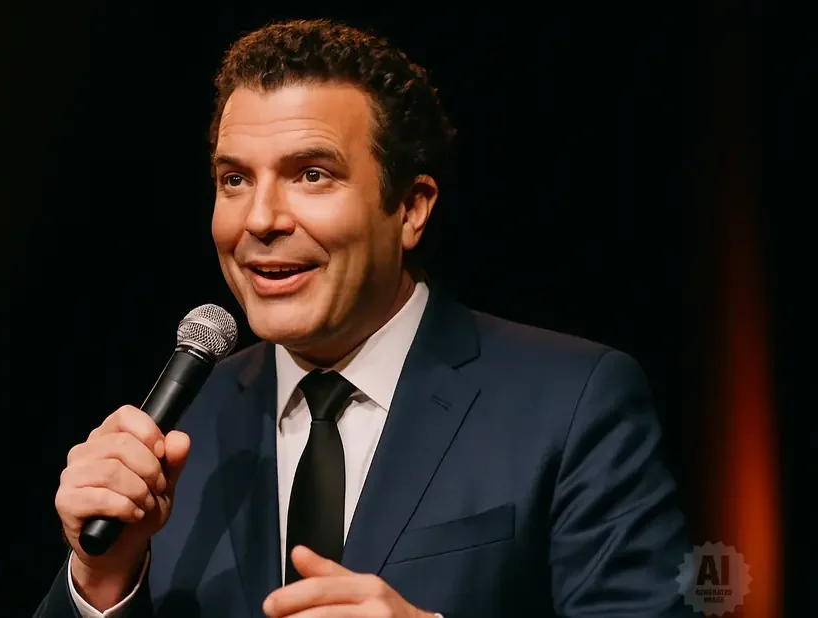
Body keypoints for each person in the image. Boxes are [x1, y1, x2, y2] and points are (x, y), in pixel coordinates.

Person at [34, 18, 693, 618]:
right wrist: (102, 579)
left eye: (311, 174)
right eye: (235, 179)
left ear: (410, 209)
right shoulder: (181, 428)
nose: (260, 219)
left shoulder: (573, 401)